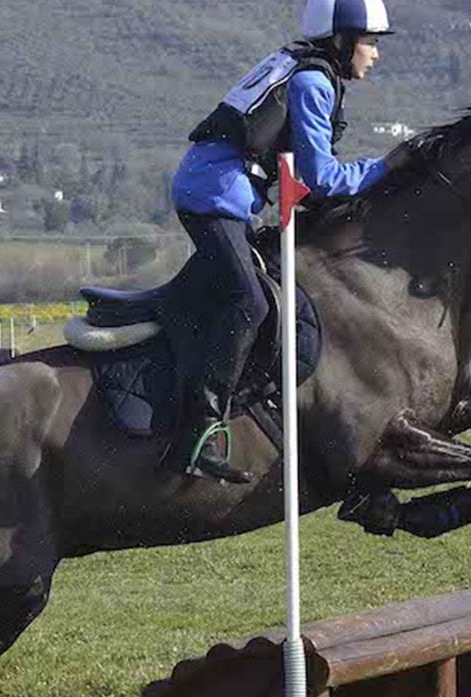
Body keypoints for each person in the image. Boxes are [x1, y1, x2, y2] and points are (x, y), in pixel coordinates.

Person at [169, 0, 394, 482]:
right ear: (341, 41)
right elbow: (323, 177)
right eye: (370, 42)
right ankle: (201, 431)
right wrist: (387, 167)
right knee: (249, 303)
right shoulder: (313, 83)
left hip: (219, 194)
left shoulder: (303, 68)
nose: (374, 55)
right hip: (213, 198)